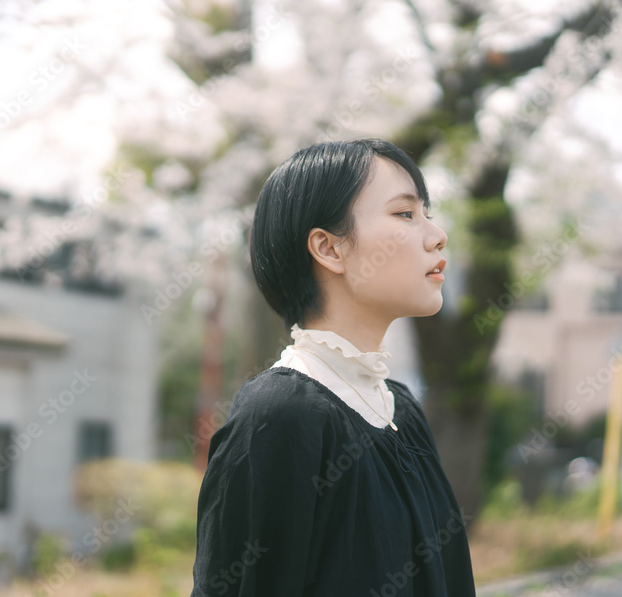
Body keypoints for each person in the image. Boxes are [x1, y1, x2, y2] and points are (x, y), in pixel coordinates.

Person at [190, 139, 477, 596]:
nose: (436, 234)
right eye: (405, 214)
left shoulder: (399, 409)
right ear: (329, 248)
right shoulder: (279, 417)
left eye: (427, 212)